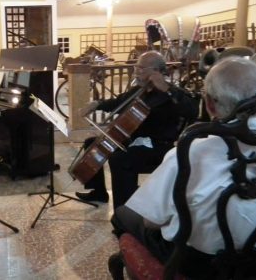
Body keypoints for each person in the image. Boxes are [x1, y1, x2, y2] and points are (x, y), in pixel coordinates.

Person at [111, 57, 256, 276]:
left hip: (200, 264)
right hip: (253, 259)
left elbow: (151, 221)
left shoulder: (191, 151)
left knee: (123, 215)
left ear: (209, 104)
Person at [75, 51, 199, 208]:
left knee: (120, 159)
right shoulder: (139, 90)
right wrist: (96, 104)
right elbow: (118, 102)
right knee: (93, 143)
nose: (136, 72)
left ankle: (124, 212)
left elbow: (192, 110)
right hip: (134, 140)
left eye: (141, 68)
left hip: (158, 147)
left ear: (156, 71)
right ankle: (99, 192)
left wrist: (167, 89)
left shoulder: (172, 93)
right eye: (136, 67)